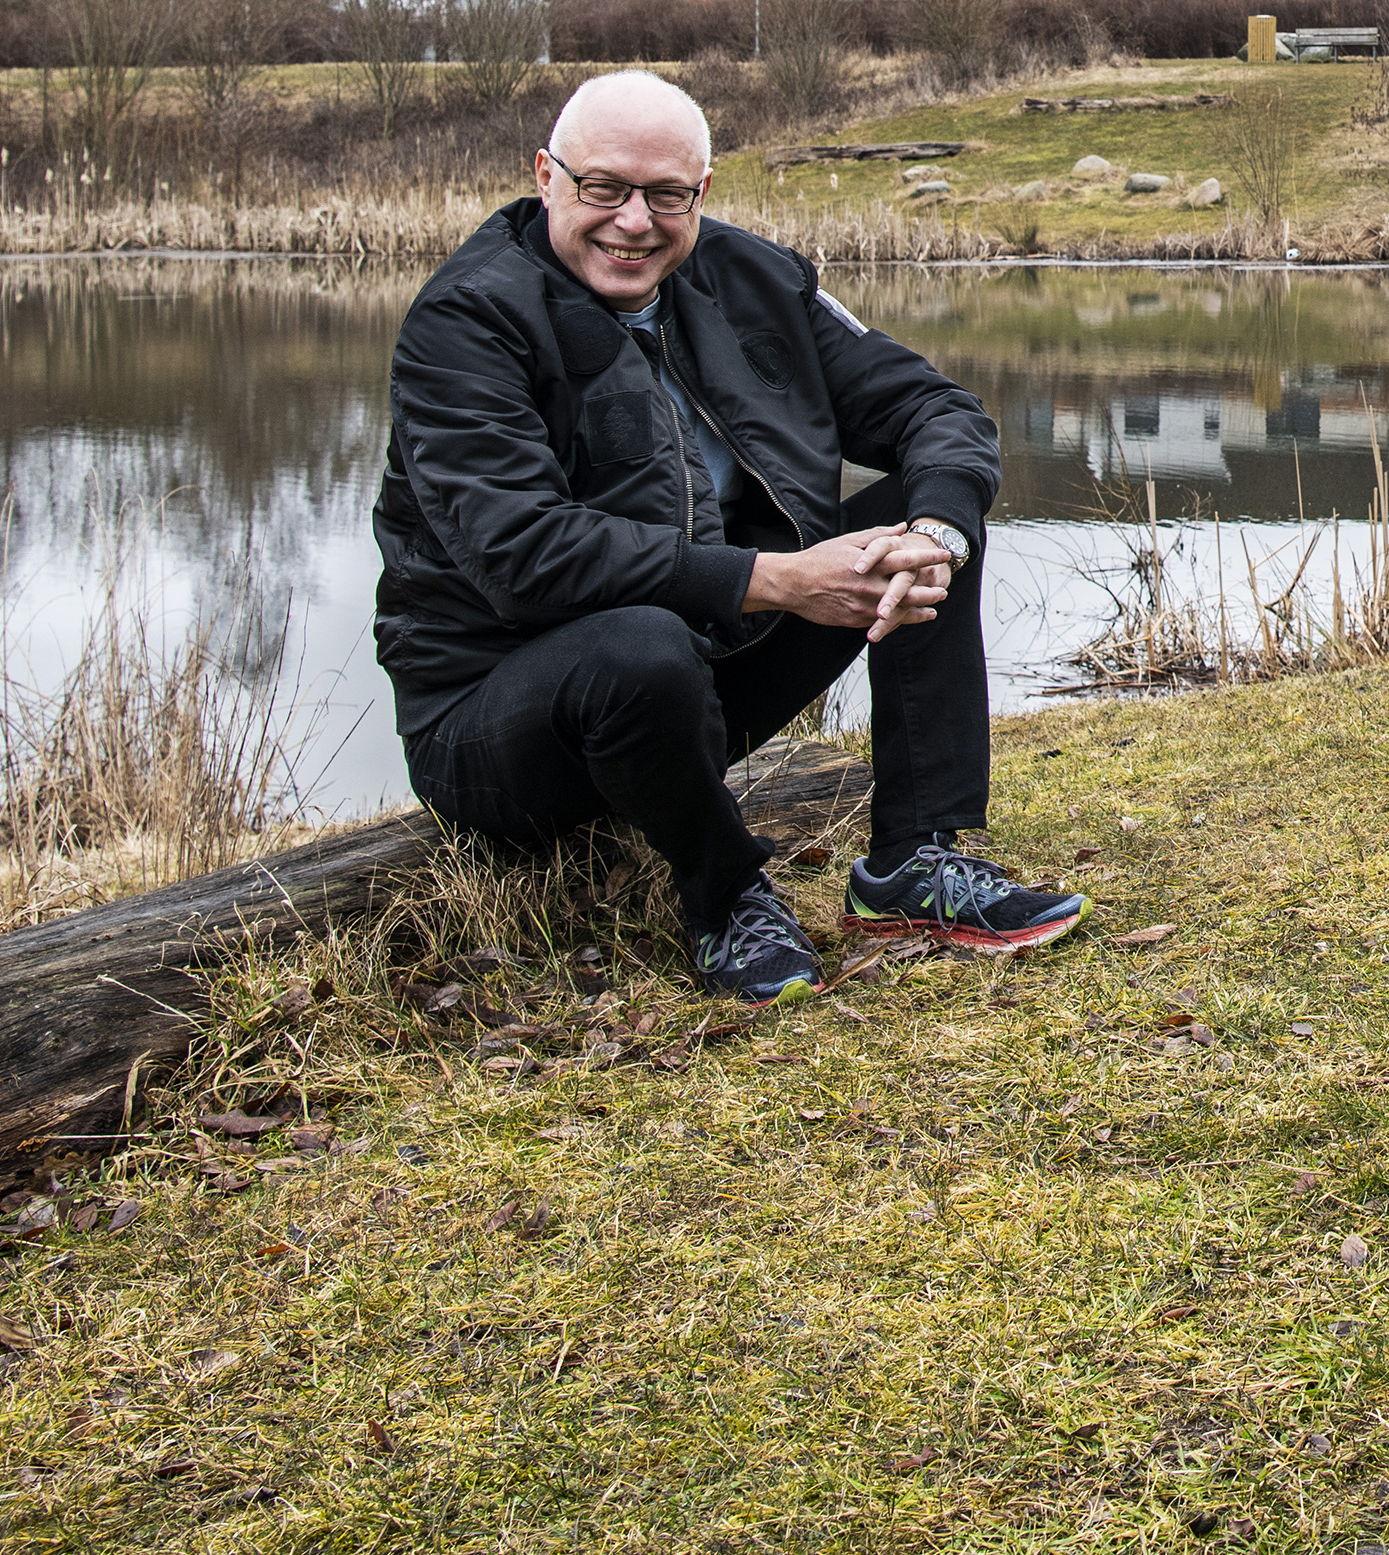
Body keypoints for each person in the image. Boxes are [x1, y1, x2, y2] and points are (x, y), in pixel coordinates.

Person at [373, 68, 1084, 1002]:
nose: (635, 221)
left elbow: (933, 407)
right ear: (546, 176)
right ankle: (726, 898)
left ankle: (913, 862)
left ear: (700, 192)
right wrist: (779, 579)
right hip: (496, 721)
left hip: (701, 667)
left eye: (666, 194)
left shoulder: (753, 280)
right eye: (604, 187)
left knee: (921, 528)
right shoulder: (466, 321)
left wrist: (938, 528)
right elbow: (524, 552)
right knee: (639, 645)